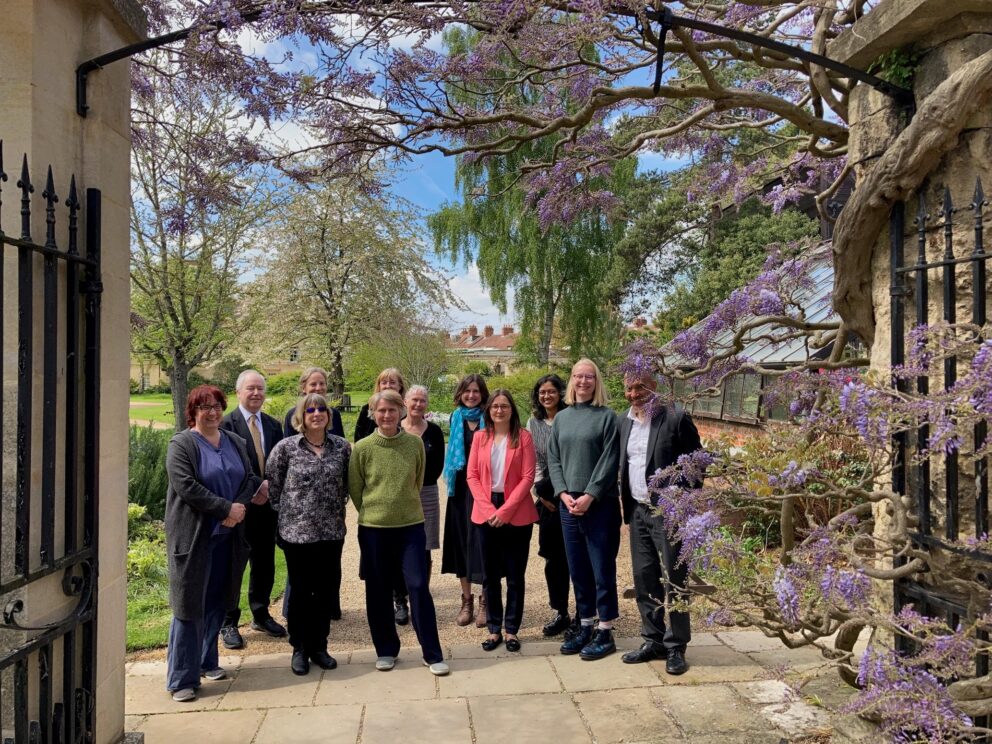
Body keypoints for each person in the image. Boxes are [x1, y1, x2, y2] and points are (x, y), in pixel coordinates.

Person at [164, 385, 260, 702]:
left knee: (218, 601)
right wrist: (225, 509)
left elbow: (249, 478)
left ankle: (207, 662)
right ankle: (182, 679)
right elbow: (187, 486)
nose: (212, 412)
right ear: (193, 411)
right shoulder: (182, 445)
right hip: (195, 540)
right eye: (204, 406)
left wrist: (238, 508)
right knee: (189, 605)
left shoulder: (234, 441)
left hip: (228, 538)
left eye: (217, 405)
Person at [348, 389, 449, 677]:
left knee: (417, 586)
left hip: (410, 527)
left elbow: (417, 481)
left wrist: (401, 507)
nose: (387, 415)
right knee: (378, 589)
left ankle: (432, 652)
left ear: (401, 412)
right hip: (374, 529)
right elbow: (356, 489)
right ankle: (386, 650)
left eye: (392, 410)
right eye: (381, 410)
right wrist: (376, 511)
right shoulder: (363, 448)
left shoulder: (414, 444)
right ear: (373, 414)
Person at [618, 372, 702, 675]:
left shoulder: (676, 418)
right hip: (638, 511)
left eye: (640, 386)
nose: (634, 393)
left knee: (675, 579)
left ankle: (676, 645)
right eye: (629, 388)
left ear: (655, 386)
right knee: (644, 578)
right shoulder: (624, 421)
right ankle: (652, 640)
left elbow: (697, 465)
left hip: (669, 513)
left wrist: (680, 499)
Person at [267, 393, 351, 676]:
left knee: (325, 592)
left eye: (322, 409)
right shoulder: (286, 448)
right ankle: (300, 648)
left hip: (331, 532)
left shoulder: (341, 448)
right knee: (302, 592)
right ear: (301, 416)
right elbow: (274, 486)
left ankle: (319, 646)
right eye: (310, 410)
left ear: (329, 415)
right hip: (297, 534)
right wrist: (285, 517)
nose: (317, 414)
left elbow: (348, 484)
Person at [547, 358, 621, 661]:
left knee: (601, 567)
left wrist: (590, 494)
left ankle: (605, 629)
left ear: (596, 381)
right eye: (578, 376)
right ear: (572, 380)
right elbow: (553, 458)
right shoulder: (562, 419)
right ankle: (586, 623)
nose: (583, 381)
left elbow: (609, 461)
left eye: (589, 376)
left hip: (599, 504)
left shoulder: (608, 417)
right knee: (577, 568)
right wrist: (563, 493)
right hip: (568, 504)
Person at [218, 370, 286, 650]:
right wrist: (256, 487)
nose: (256, 393)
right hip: (238, 507)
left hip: (266, 508)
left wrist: (270, 488)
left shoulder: (273, 425)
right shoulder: (226, 425)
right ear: (238, 392)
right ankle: (228, 621)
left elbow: (279, 462)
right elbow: (226, 467)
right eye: (250, 388)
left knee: (264, 563)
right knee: (233, 566)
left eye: (260, 388)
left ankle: (260, 613)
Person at [467, 389, 537, 652]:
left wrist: (505, 510)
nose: (499, 410)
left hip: (517, 510)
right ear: (489, 410)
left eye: (504, 406)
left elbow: (528, 477)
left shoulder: (523, 437)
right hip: (485, 510)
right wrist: (489, 510)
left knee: (515, 575)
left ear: (511, 409)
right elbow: (472, 476)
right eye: (495, 406)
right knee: (491, 574)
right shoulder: (480, 437)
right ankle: (494, 628)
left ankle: (511, 630)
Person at [526, 374, 575, 637]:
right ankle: (561, 611)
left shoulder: (571, 418)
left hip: (573, 488)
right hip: (548, 493)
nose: (546, 396)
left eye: (551, 391)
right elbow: (533, 460)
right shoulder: (533, 423)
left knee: (577, 555)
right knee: (553, 558)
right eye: (542, 392)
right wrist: (539, 491)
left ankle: (585, 613)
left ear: (561, 393)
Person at [393, 385, 445, 625]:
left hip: (427, 493)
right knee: (398, 546)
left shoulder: (434, 431)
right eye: (414, 399)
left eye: (422, 400)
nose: (418, 404)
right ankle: (400, 600)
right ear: (405, 401)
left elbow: (436, 468)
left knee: (423, 548)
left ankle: (419, 597)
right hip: (399, 494)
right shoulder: (395, 429)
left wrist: (416, 482)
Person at [441, 373, 490, 627]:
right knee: (461, 542)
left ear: (483, 394)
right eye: (467, 391)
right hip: (459, 489)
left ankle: (485, 601)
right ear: (460, 393)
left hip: (484, 488)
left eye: (476, 391)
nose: (471, 395)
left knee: (483, 543)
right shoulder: (456, 417)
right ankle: (467, 600)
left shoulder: (489, 417)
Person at [283, 367, 344, 439]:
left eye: (322, 384)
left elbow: (340, 443)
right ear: (303, 388)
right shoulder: (293, 414)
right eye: (313, 384)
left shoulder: (334, 414)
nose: (318, 388)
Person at [354, 368, 407, 443]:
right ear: (379, 386)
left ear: (400, 386)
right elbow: (358, 438)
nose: (388, 386)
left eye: (392, 382)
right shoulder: (367, 409)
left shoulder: (408, 410)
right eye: (384, 383)